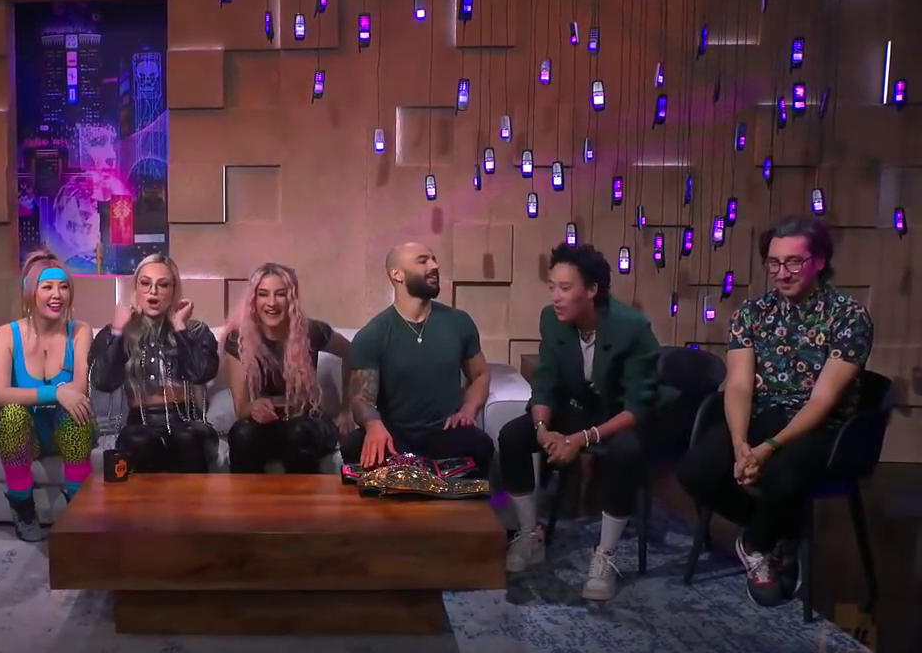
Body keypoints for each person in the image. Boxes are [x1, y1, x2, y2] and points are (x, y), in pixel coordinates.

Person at [677, 216, 873, 607]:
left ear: (819, 261)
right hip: (762, 413)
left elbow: (822, 402)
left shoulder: (850, 318)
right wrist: (740, 444)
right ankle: (779, 527)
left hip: (822, 426)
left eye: (794, 262)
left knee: (784, 471)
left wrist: (767, 448)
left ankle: (756, 543)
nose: (782, 273)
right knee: (695, 470)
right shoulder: (751, 314)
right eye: (774, 263)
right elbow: (738, 385)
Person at [497, 243, 665, 601]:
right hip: (576, 410)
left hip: (620, 417)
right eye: (552, 287)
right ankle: (530, 534)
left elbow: (638, 406)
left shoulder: (631, 327)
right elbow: (545, 383)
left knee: (626, 452)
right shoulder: (551, 319)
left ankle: (605, 554)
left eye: (565, 288)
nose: (556, 297)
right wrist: (543, 430)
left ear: (592, 290)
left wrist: (581, 438)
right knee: (512, 436)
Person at [341, 242, 495, 475]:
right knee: (354, 447)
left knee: (481, 445)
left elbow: (480, 374)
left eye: (434, 259)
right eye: (423, 261)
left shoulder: (459, 322)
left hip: (444, 432)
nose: (434, 266)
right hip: (395, 435)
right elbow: (361, 399)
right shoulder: (373, 334)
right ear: (397, 274)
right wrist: (373, 425)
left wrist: (467, 409)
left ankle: (482, 498)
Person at [0, 250, 95, 543]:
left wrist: (63, 396)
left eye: (63, 287)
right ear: (29, 292)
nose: (57, 294)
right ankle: (23, 507)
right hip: (25, 435)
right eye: (47, 287)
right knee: (11, 413)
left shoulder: (80, 331)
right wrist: (57, 392)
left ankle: (79, 508)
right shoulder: (5, 335)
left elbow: (80, 389)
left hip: (63, 430)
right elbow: (0, 393)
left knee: (76, 411)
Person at [88, 253, 220, 472]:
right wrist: (118, 332)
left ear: (174, 290)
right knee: (140, 441)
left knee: (186, 438)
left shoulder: (195, 331)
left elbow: (201, 374)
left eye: (163, 285)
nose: (153, 291)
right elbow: (103, 381)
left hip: (185, 419)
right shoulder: (118, 332)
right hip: (141, 422)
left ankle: (192, 496)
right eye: (145, 283)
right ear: (136, 289)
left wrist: (179, 327)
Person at [222, 263, 354, 474]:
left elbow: (352, 352)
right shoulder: (238, 339)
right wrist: (254, 407)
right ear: (253, 300)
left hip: (307, 421)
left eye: (280, 294)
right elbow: (242, 409)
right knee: (241, 435)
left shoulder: (311, 331)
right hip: (266, 427)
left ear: (292, 298)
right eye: (263, 294)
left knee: (297, 433)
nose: (271, 303)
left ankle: (302, 496)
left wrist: (346, 409)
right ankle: (247, 496)